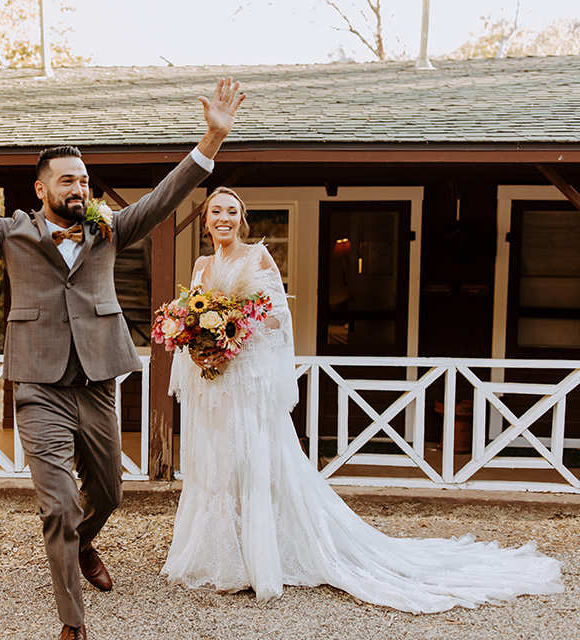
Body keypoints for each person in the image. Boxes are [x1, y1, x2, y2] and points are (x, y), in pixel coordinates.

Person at [0, 78, 245, 640]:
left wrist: (211, 140)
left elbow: (165, 195)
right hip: (38, 383)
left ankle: (84, 541)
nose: (79, 187)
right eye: (68, 180)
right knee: (58, 505)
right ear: (41, 189)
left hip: (95, 380)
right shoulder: (9, 235)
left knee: (111, 492)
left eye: (85, 180)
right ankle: (72, 623)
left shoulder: (109, 230)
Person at [161, 186, 563, 613]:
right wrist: (200, 342)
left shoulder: (258, 257)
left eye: (231, 211)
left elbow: (279, 317)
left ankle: (259, 559)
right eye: (215, 211)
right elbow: (194, 319)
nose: (223, 217)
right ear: (205, 221)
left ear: (242, 219)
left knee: (253, 463)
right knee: (219, 465)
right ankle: (217, 556)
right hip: (216, 384)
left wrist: (236, 326)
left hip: (247, 385)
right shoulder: (202, 265)